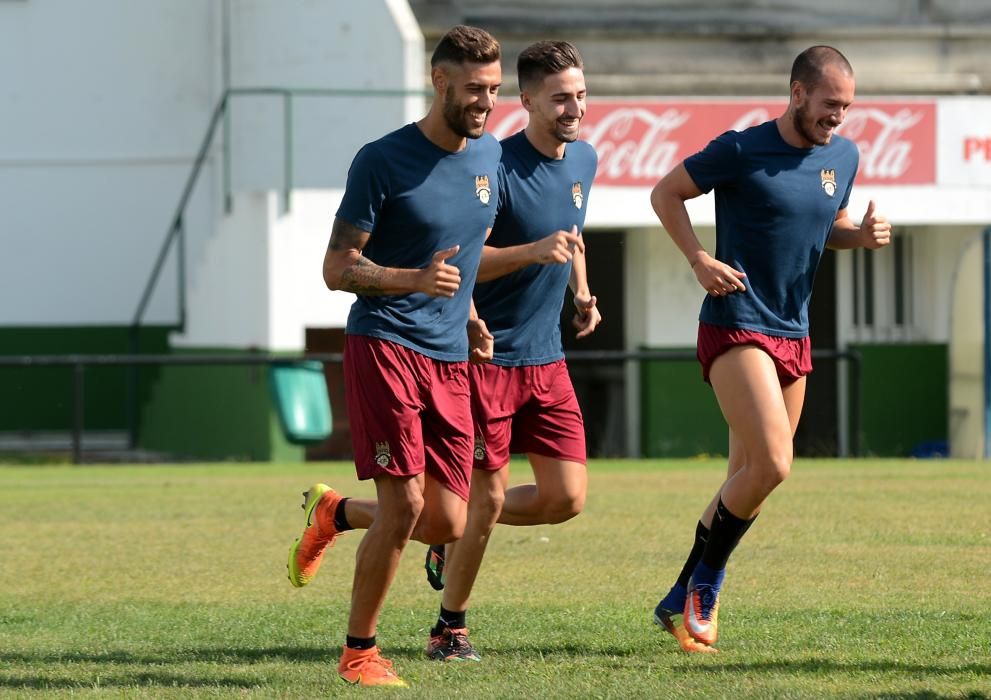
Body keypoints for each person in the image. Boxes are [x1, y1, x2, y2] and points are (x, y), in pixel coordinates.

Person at [649, 45, 891, 652]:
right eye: (830, 104)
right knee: (774, 463)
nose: (838, 117)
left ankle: (678, 595)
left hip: (794, 331)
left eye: (847, 107)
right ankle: (708, 584)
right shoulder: (740, 148)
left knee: (750, 476)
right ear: (797, 93)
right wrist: (699, 259)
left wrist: (857, 236)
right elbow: (666, 193)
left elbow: (817, 226)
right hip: (736, 322)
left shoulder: (844, 155)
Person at [284, 25, 503, 688]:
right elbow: (335, 269)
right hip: (384, 343)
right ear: (439, 82)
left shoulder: (489, 156)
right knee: (407, 506)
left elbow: (460, 258)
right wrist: (411, 281)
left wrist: (467, 317)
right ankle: (359, 653)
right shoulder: (381, 160)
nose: (484, 102)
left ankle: (335, 513)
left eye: (493, 89)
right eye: (472, 89)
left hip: (448, 356)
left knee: (447, 518)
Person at [420, 40, 601, 662]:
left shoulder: (585, 161)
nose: (574, 107)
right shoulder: (494, 164)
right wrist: (523, 260)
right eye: (560, 98)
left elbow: (569, 238)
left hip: (547, 360)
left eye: (579, 94)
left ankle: (356, 515)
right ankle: (450, 631)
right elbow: (465, 262)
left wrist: (582, 293)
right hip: (485, 360)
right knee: (487, 497)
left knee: (565, 498)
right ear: (525, 102)